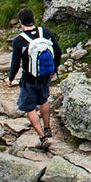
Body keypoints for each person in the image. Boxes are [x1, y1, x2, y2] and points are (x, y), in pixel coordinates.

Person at [7, 7, 61, 139]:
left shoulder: (19, 41)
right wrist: (54, 69)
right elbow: (58, 51)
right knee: (43, 100)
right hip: (45, 75)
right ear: (34, 19)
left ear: (20, 22)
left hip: (29, 79)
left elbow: (15, 63)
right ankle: (48, 128)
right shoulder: (46, 32)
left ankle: (42, 137)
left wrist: (10, 78)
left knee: (29, 108)